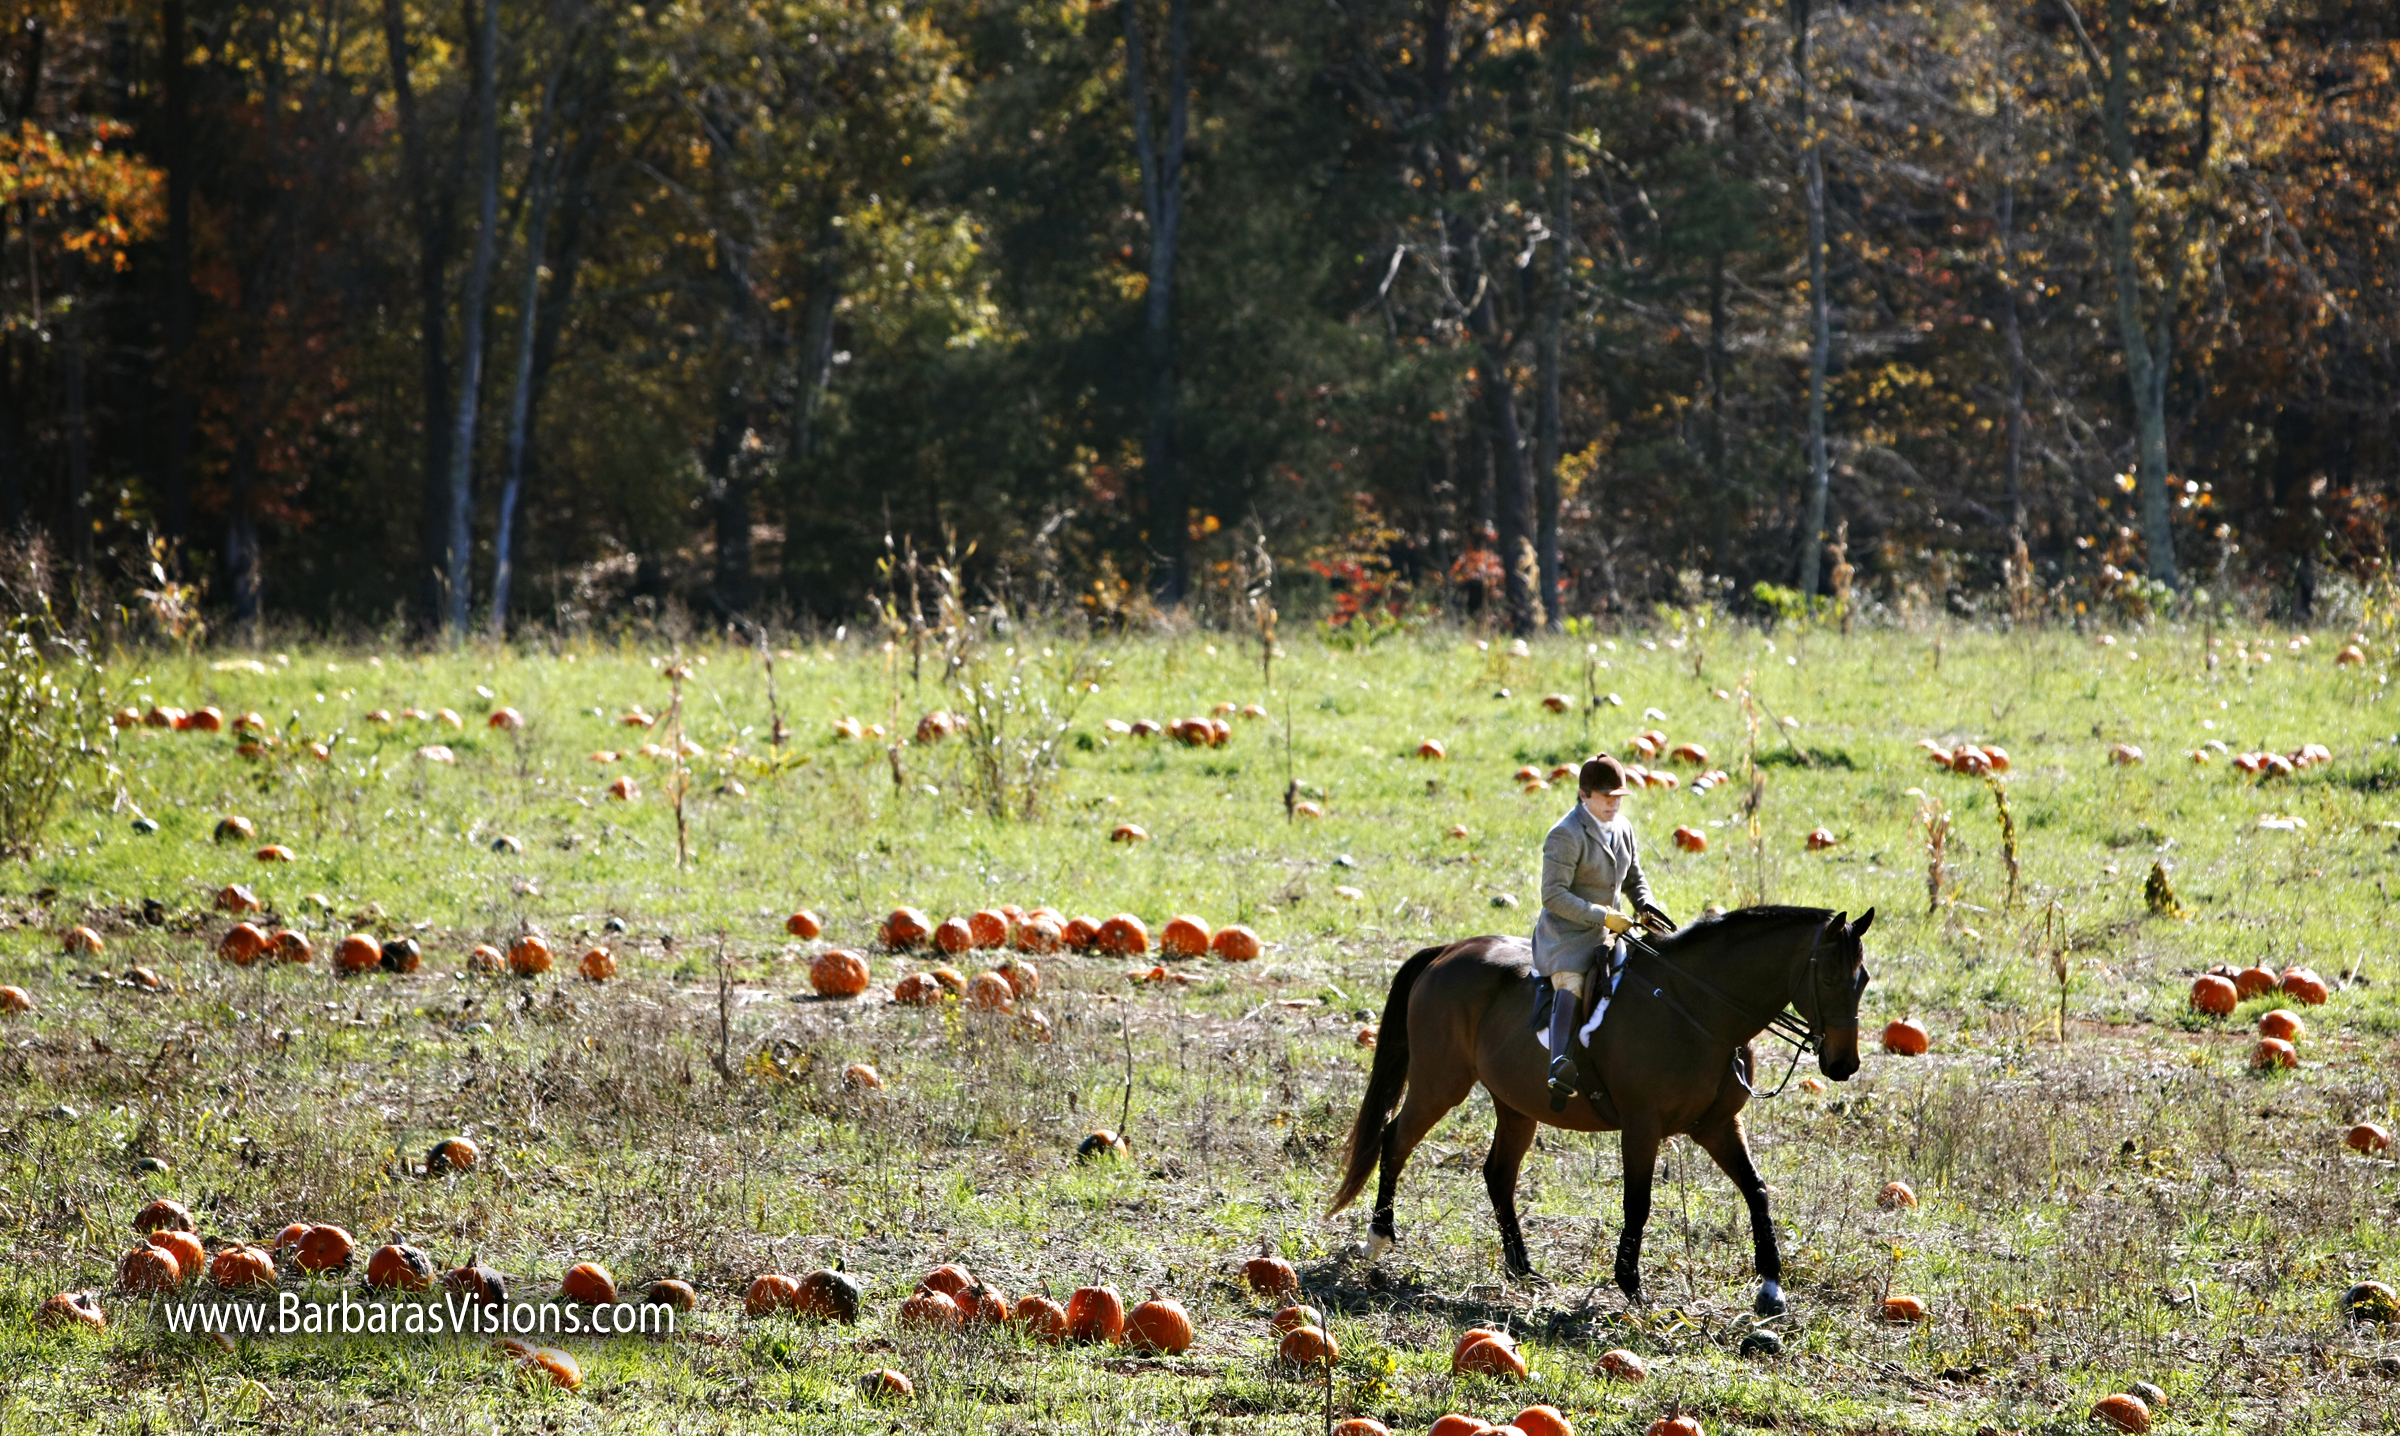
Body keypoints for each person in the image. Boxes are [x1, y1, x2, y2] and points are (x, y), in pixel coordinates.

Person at [1533, 754, 1674, 1108]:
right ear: (1585, 795)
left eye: (1619, 797)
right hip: (1567, 937)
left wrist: (1646, 906)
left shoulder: (1622, 827)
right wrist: (1602, 916)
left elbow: (1634, 878)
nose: (1614, 802)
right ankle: (1558, 1064)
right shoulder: (1565, 835)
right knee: (1573, 982)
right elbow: (1553, 896)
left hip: (1614, 931)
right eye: (1607, 796)